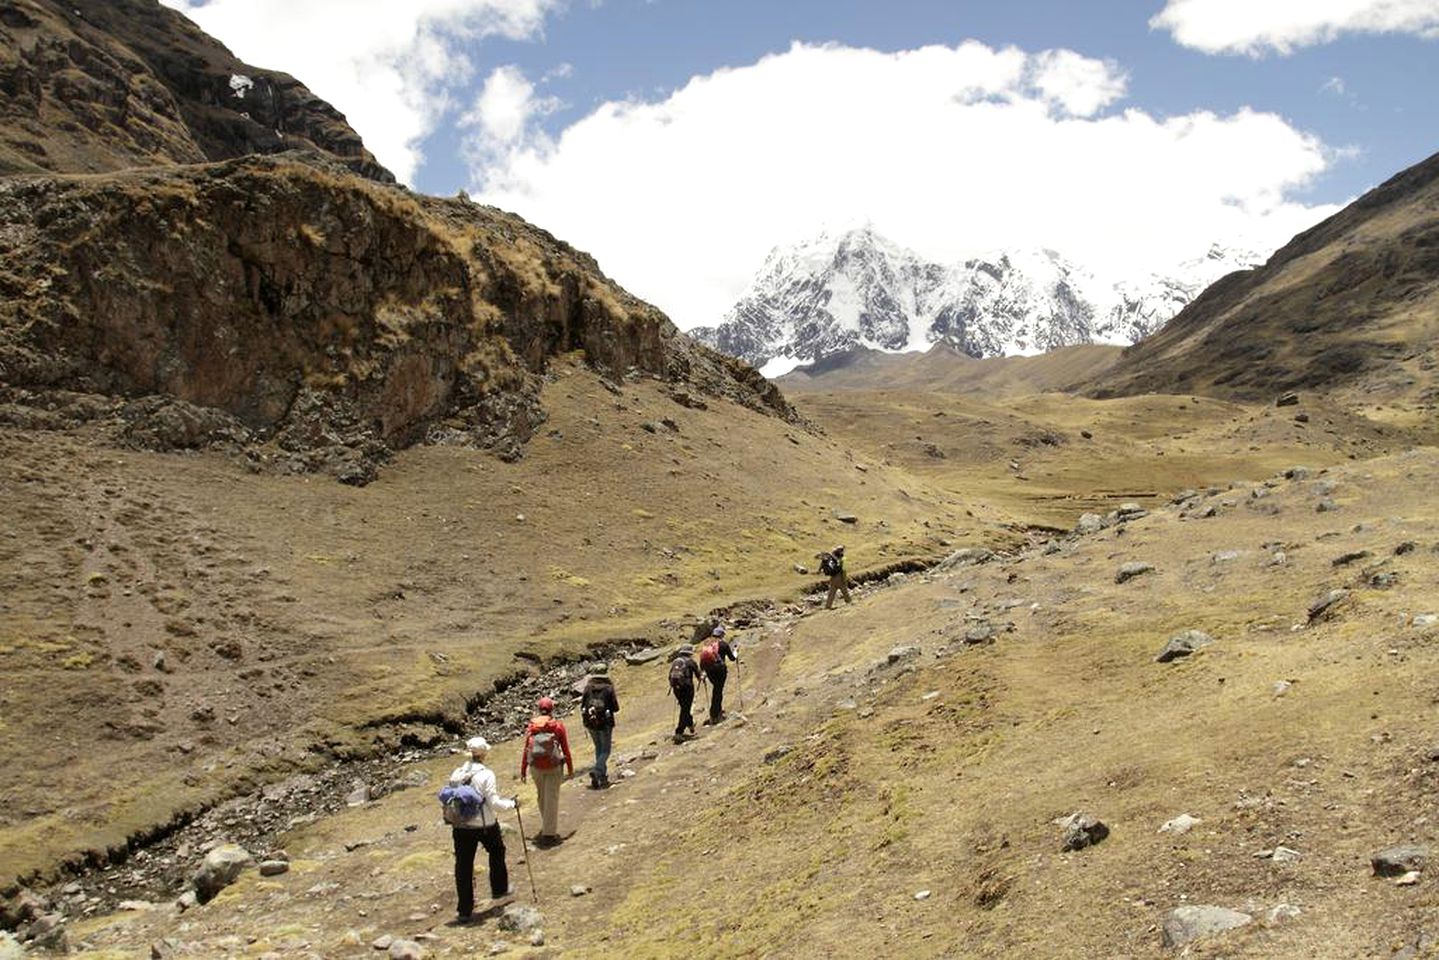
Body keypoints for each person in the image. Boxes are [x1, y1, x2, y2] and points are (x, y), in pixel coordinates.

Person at [441, 736, 516, 923]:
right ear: (484, 754)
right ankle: (499, 890)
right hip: (484, 825)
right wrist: (512, 804)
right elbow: (494, 803)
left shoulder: (457, 773)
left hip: (460, 826)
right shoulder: (486, 774)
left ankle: (464, 909)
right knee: (497, 850)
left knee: (463, 865)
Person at [519, 696, 573, 847]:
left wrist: (523, 769)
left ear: (539, 709)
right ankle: (549, 833)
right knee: (552, 798)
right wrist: (570, 768)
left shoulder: (532, 726)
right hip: (554, 766)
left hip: (536, 767)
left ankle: (547, 825)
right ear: (552, 709)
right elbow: (566, 749)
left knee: (541, 797)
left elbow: (526, 749)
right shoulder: (557, 726)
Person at [580, 662, 620, 789]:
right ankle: (597, 771)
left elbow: (582, 706)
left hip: (591, 723)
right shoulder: (608, 688)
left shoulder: (587, 688)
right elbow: (615, 707)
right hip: (605, 723)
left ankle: (601, 776)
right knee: (606, 750)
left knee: (598, 748)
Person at [698, 626, 738, 725]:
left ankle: (717, 711)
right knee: (718, 691)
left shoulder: (708, 644)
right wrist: (736, 652)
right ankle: (715, 714)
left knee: (716, 689)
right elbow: (732, 658)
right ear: (721, 635)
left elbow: (703, 658)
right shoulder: (723, 644)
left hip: (709, 671)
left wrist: (703, 672)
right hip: (720, 670)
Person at [668, 644, 702, 742]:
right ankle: (679, 732)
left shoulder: (675, 661)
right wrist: (703, 677)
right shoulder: (691, 662)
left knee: (684, 707)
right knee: (685, 709)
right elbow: (698, 675)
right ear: (690, 653)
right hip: (687, 688)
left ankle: (690, 724)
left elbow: (670, 675)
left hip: (676, 688)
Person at [820, 544, 852, 609]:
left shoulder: (831, 558)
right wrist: (844, 579)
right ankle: (849, 602)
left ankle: (828, 606)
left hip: (832, 578)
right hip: (839, 577)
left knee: (831, 592)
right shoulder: (843, 559)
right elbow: (844, 570)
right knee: (844, 590)